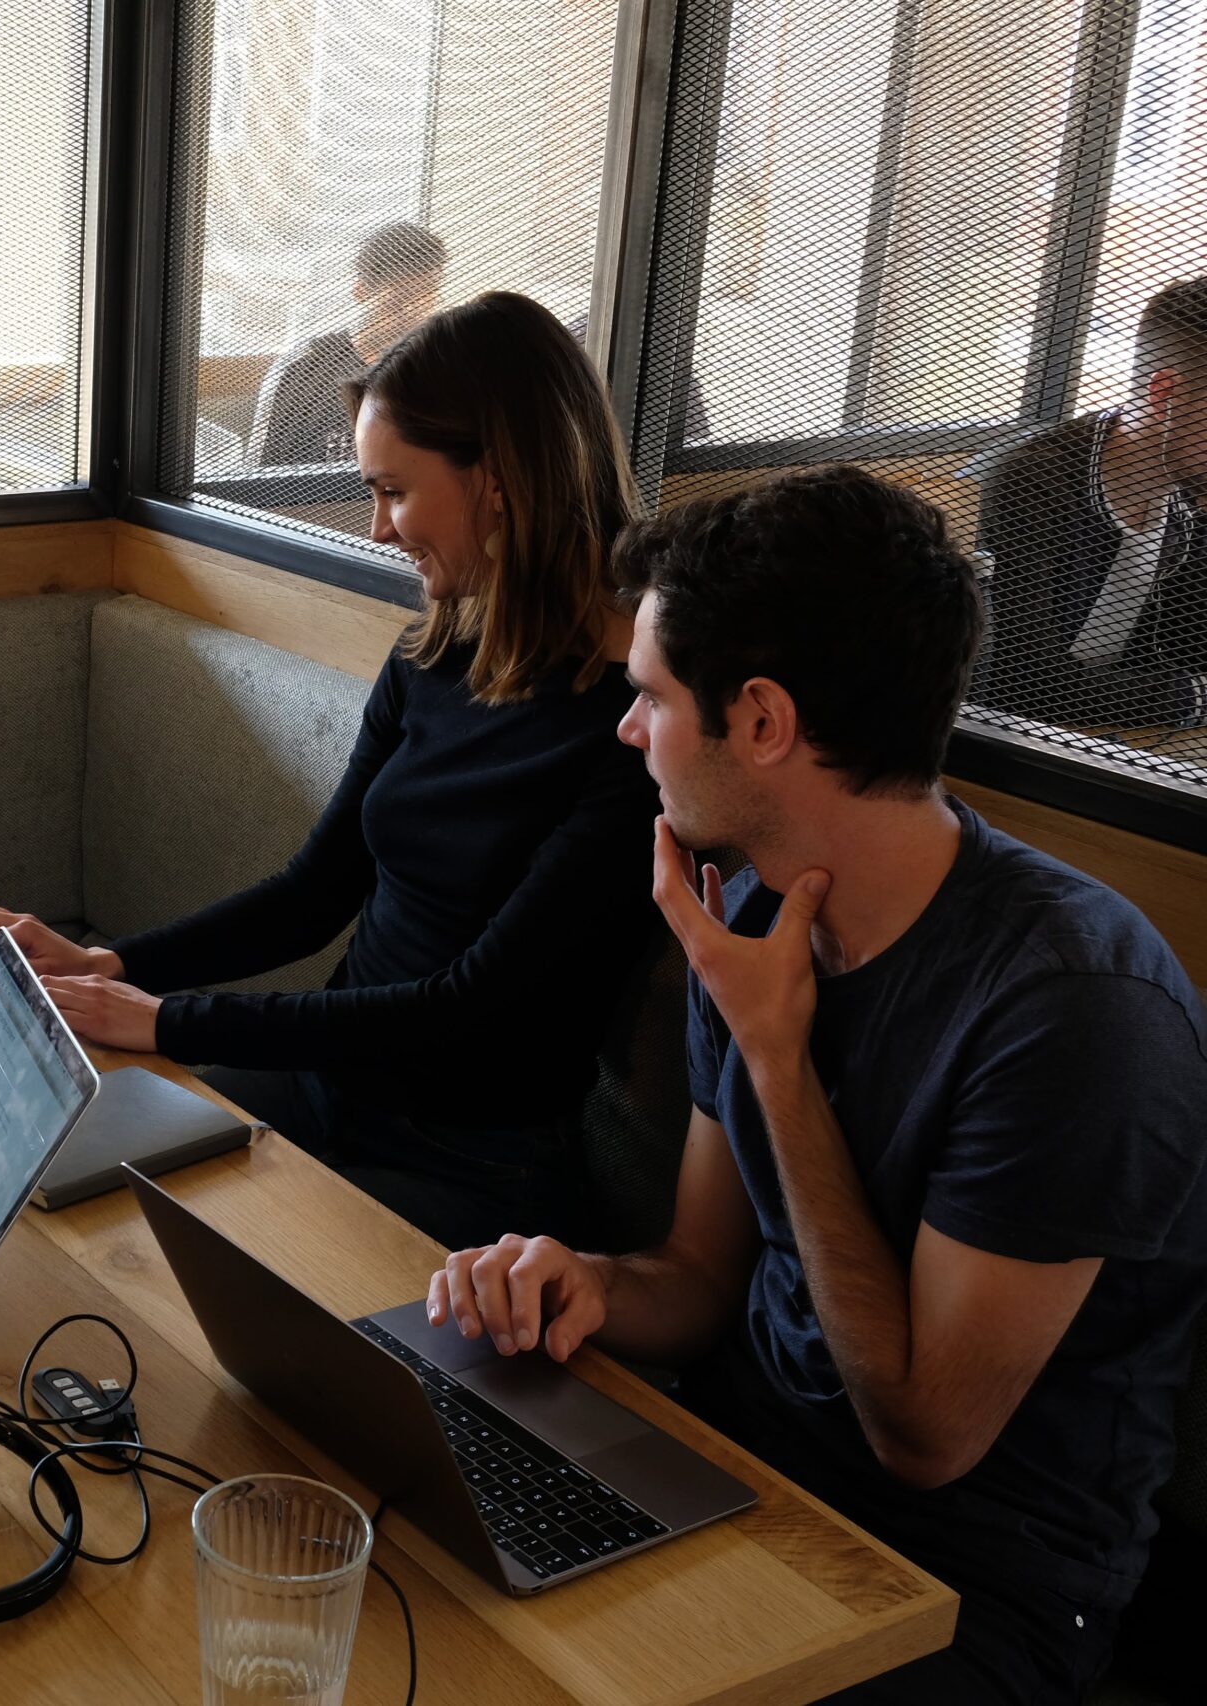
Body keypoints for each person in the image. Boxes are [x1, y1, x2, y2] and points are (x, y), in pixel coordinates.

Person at [431, 465, 1207, 1701]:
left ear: (762, 721)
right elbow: (696, 1280)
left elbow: (922, 1436)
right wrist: (578, 1281)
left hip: (963, 1589)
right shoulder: (747, 906)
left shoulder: (1076, 1011)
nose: (627, 730)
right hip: (732, 1467)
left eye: (648, 696)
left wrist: (779, 1056)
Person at [0, 292, 663, 1251]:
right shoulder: (434, 658)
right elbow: (310, 894)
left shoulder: (636, 730)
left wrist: (168, 1021)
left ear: (499, 482)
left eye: (396, 491)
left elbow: (465, 1005)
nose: (375, 529)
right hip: (322, 1086)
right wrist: (111, 965)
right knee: (33, 1195)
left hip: (473, 1162)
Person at [977, 276, 1207, 731]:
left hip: (1130, 742)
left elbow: (1191, 647)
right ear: (1164, 394)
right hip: (1019, 759)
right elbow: (1028, 686)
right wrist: (1190, 695)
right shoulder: (1035, 480)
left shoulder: (1189, 494)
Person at [245, 220, 447, 467]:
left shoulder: (440, 368)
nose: (414, 311)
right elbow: (259, 475)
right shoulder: (304, 370)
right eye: (400, 299)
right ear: (361, 291)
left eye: (428, 293)